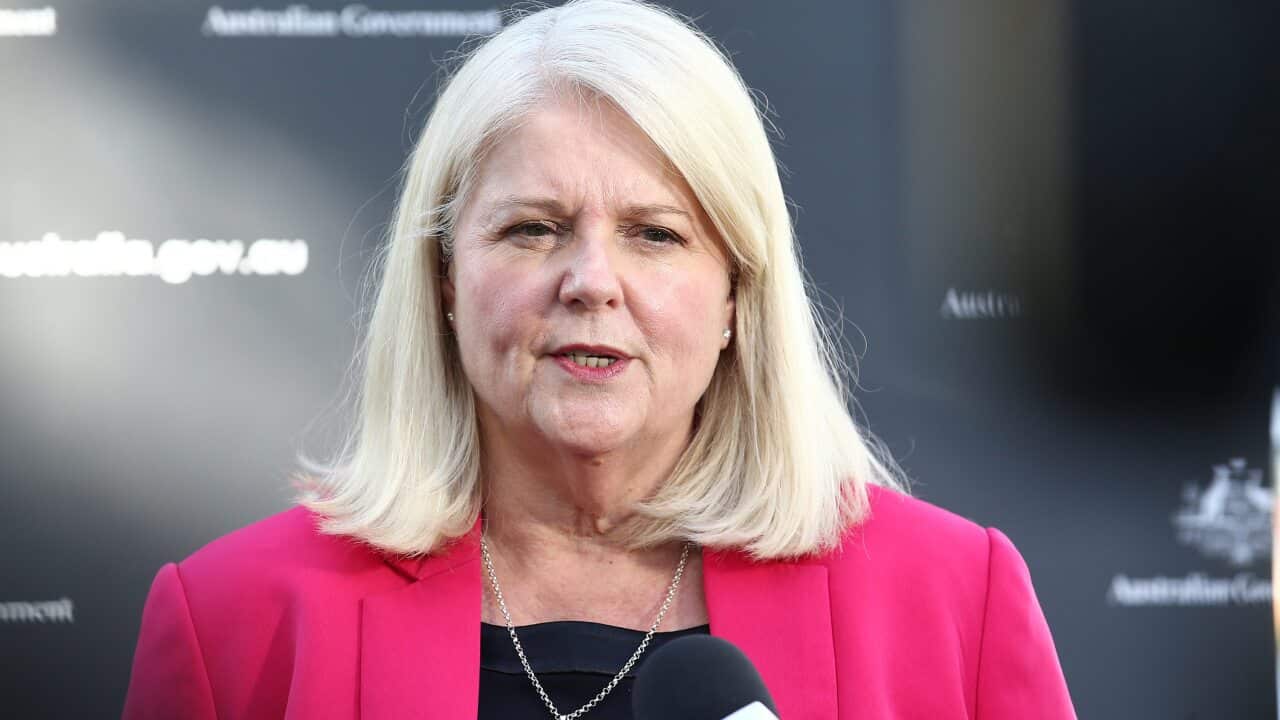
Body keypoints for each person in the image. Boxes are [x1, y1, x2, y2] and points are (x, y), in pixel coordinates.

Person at [122, 1, 1077, 717]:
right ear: (445, 279)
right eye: (533, 229)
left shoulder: (955, 603)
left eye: (655, 234)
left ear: (737, 294)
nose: (589, 282)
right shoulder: (233, 622)